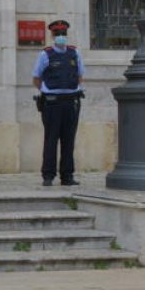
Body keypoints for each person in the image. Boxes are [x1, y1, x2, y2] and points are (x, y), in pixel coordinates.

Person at [32, 19, 86, 187]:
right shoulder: (45, 54)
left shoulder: (75, 53)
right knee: (51, 139)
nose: (61, 36)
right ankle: (48, 176)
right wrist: (49, 90)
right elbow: (36, 78)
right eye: (58, 34)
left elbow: (80, 76)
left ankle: (67, 176)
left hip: (71, 102)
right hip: (52, 104)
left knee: (68, 140)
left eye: (63, 33)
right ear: (52, 35)